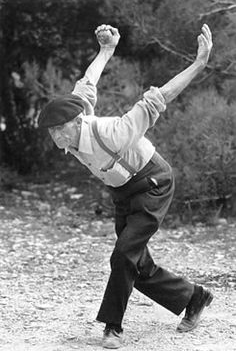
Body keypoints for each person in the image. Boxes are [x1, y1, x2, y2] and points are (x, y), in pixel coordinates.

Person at [38, 23, 213, 349]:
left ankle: (112, 328)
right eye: (51, 132)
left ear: (76, 123)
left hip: (153, 183)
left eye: (60, 129)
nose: (56, 137)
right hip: (123, 191)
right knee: (136, 263)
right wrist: (106, 50)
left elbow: (160, 96)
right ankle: (194, 297)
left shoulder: (114, 132)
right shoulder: (74, 116)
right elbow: (87, 83)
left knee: (123, 255)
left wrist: (199, 63)